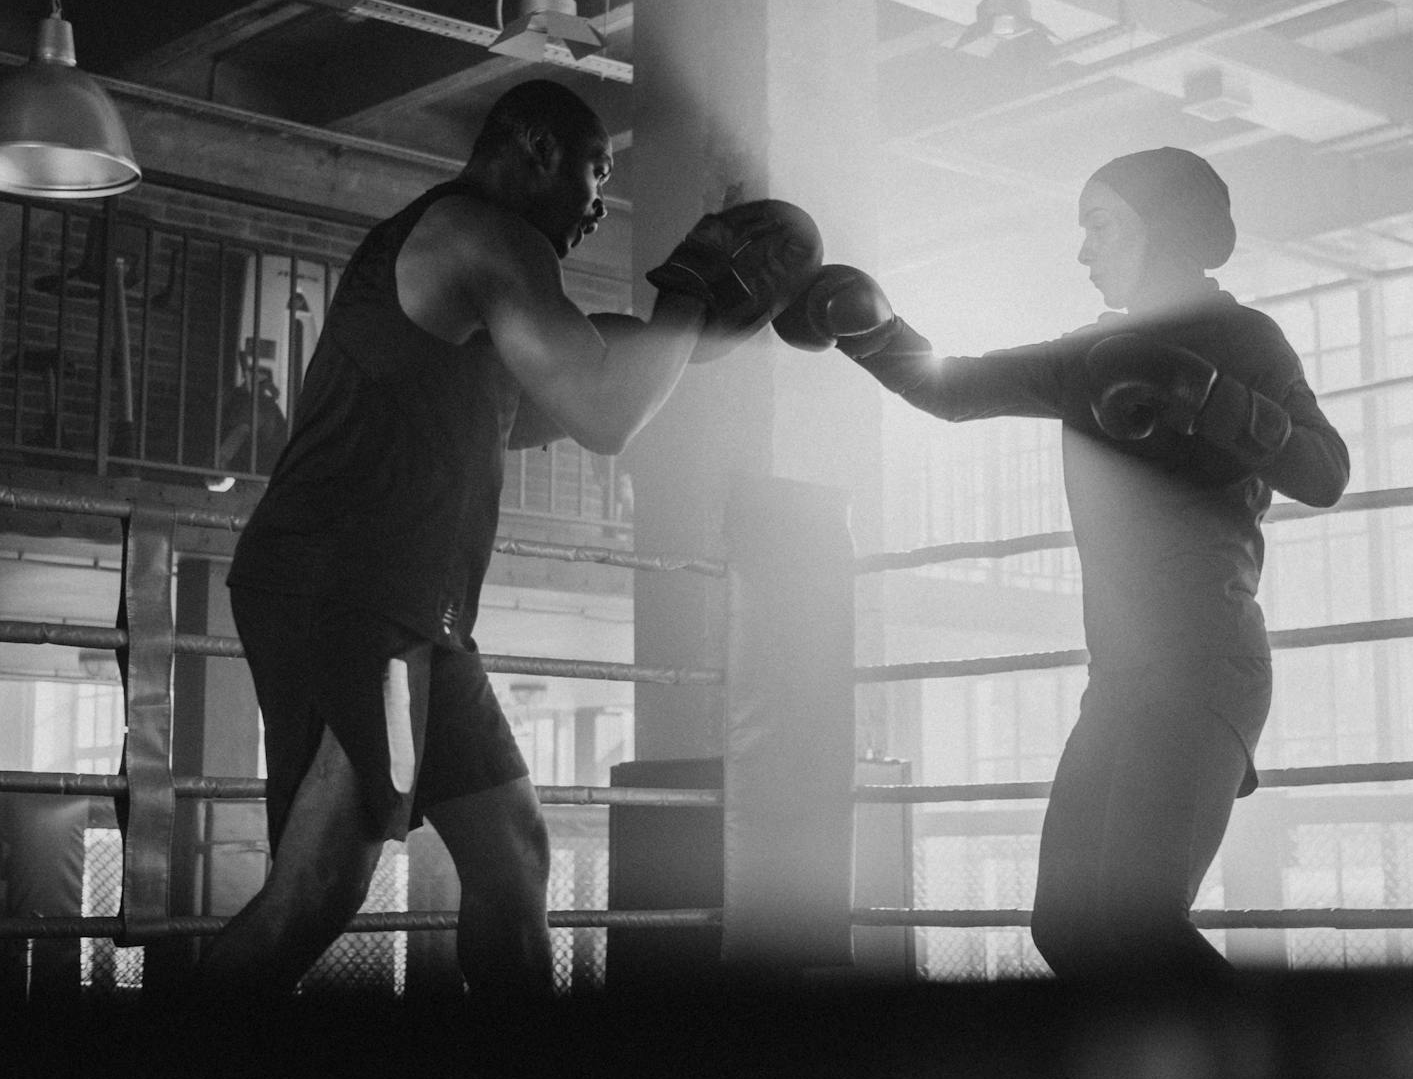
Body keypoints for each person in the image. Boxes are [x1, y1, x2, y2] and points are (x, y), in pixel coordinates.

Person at [199, 78, 821, 998]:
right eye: (595, 171)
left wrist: (726, 311)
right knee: (318, 894)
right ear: (535, 148)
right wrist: (693, 284)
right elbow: (609, 410)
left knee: (513, 861)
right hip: (353, 597)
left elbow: (609, 369)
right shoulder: (479, 235)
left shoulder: (483, 298)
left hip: (415, 615)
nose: (599, 205)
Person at [776, 146, 1349, 979]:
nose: (1084, 251)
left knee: (1138, 923)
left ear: (1163, 227)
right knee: (1069, 926)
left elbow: (1325, 473)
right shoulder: (1092, 356)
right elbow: (954, 389)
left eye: (1100, 225)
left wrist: (1213, 399)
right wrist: (865, 327)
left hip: (1204, 664)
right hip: (1121, 678)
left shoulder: (1245, 337)